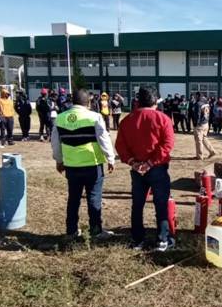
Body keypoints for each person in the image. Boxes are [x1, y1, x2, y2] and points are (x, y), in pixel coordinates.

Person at [115, 85, 176, 251]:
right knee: (161, 203)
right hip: (157, 167)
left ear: (137, 101)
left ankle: (137, 239)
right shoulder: (163, 119)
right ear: (155, 101)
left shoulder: (127, 120)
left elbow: (120, 146)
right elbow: (168, 144)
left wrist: (133, 162)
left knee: (137, 204)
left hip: (137, 169)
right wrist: (150, 163)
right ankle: (163, 239)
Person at [51, 88, 116, 240]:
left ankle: (71, 231)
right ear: (89, 101)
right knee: (94, 198)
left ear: (72, 101)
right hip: (92, 164)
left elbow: (55, 143)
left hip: (72, 166)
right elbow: (103, 139)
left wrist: (59, 161)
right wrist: (110, 158)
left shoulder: (60, 118)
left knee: (73, 199)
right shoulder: (94, 117)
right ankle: (96, 230)